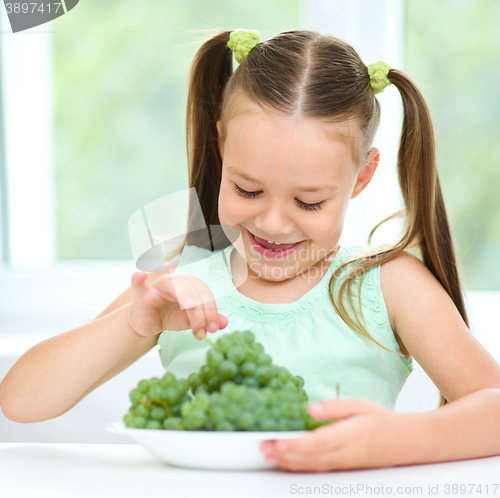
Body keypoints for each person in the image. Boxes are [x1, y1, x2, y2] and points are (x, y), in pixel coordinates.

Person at [1, 28, 500, 473]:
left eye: (309, 201)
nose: (273, 222)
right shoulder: (183, 277)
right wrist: (135, 322)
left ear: (362, 177)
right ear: (222, 148)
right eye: (248, 190)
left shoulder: (386, 285)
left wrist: (395, 441)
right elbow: (20, 400)